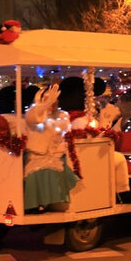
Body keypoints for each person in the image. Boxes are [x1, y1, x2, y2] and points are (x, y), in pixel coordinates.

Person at [23, 84, 79, 212]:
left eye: (54, 100)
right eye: (48, 100)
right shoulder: (33, 113)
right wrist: (44, 106)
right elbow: (34, 118)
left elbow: (64, 131)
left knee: (56, 171)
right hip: (37, 157)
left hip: (56, 156)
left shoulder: (62, 115)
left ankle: (54, 202)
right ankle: (35, 205)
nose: (52, 103)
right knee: (36, 173)